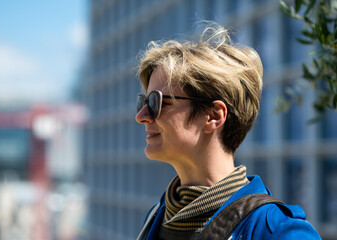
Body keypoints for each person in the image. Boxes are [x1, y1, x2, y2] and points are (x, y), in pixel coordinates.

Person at [135, 24, 321, 240]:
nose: (141, 115)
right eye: (144, 101)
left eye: (157, 102)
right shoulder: (157, 215)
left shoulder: (281, 232)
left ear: (213, 116)